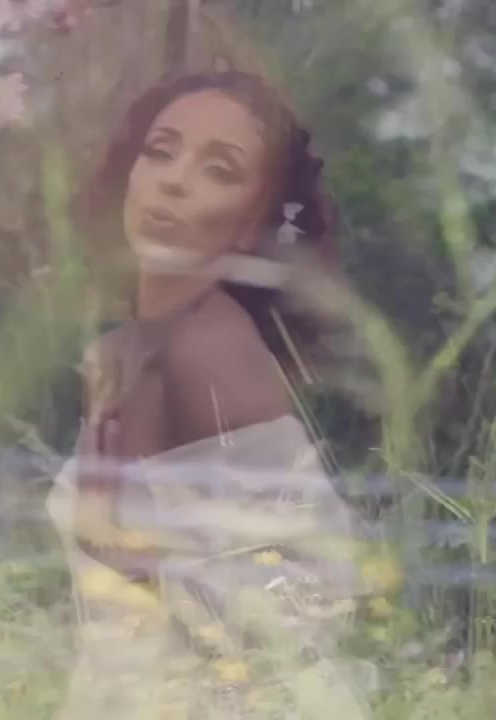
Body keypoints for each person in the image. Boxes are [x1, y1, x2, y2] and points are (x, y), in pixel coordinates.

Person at [46, 71, 372, 719]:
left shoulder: (211, 350)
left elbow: (305, 587)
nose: (174, 181)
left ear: (253, 225)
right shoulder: (119, 353)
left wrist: (108, 539)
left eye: (219, 171)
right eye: (160, 151)